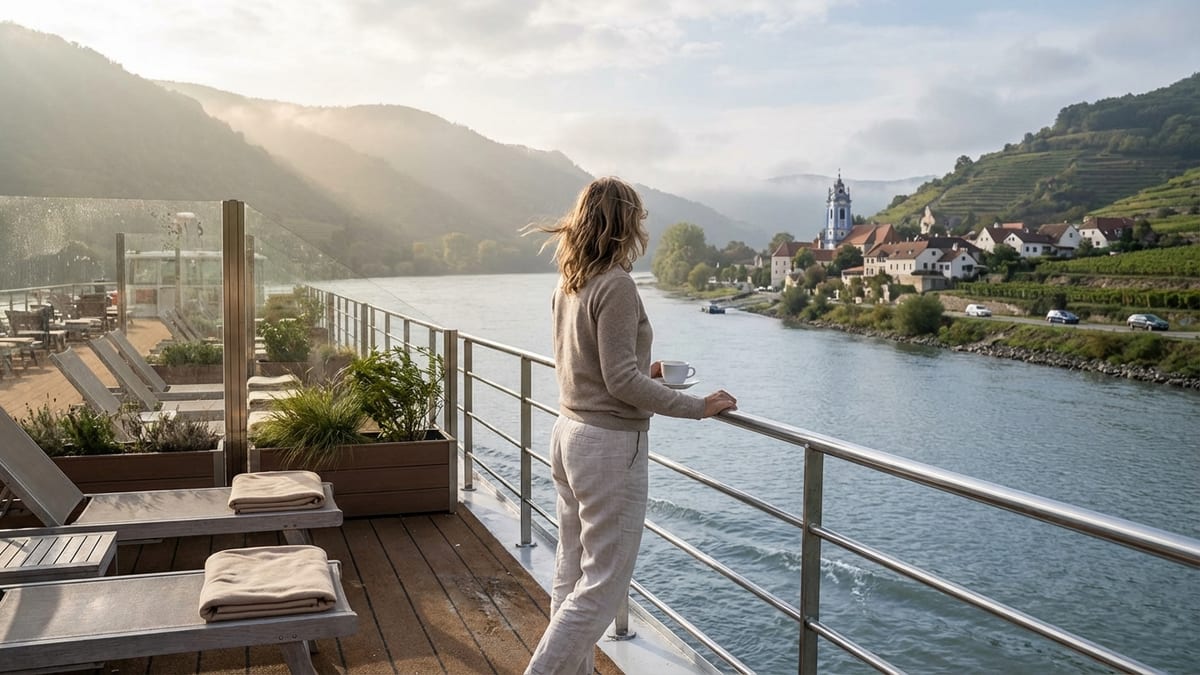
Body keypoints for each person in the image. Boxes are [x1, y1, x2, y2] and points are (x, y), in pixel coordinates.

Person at [523, 176, 738, 674]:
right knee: (603, 585)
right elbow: (619, 381)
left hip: (568, 434)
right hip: (607, 446)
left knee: (571, 568)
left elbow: (591, 364)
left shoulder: (570, 281)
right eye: (638, 218)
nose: (641, 226)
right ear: (624, 223)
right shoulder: (616, 283)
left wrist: (648, 369)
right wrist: (698, 407)